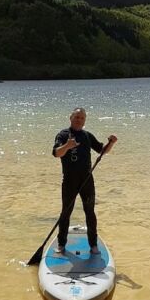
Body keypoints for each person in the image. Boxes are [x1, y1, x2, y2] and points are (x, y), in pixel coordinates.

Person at [52, 107, 117, 255]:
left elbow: (101, 150)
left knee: (90, 212)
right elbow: (56, 153)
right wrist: (67, 146)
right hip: (69, 180)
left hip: (87, 179)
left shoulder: (87, 136)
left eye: (81, 118)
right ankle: (61, 244)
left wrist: (111, 143)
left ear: (85, 120)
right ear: (70, 118)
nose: (79, 120)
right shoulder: (63, 135)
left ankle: (93, 245)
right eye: (76, 117)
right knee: (66, 212)